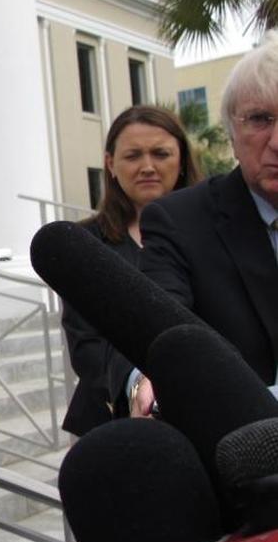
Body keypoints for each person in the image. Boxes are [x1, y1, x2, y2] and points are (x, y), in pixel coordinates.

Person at [139, 31, 278, 410]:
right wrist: (145, 379)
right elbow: (163, 325)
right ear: (232, 135)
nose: (277, 141)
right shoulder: (178, 222)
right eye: (260, 119)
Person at [60, 106, 202, 436]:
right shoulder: (84, 244)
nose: (147, 167)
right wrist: (136, 389)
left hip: (202, 412)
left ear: (181, 158)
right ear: (110, 164)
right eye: (133, 155)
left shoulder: (212, 232)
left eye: (160, 153)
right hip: (112, 423)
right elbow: (85, 346)